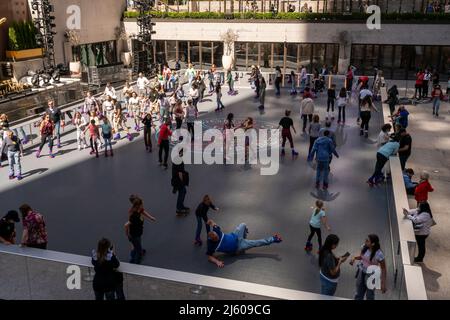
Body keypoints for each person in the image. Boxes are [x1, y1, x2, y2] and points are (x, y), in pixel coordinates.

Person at [206, 219, 282, 268]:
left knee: (243, 224)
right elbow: (209, 257)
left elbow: (212, 222)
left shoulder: (216, 230)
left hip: (236, 235)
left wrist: (208, 222)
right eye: (216, 238)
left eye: (217, 236)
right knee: (255, 242)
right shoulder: (211, 245)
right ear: (212, 239)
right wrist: (217, 262)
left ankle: (244, 235)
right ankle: (273, 239)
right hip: (238, 246)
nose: (217, 237)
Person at [350, 234, 387, 300]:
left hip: (371, 275)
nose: (365, 242)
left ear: (372, 244)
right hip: (361, 272)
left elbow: (383, 268)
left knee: (370, 295)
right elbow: (362, 257)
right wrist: (354, 258)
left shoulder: (379, 254)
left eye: (367, 241)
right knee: (359, 293)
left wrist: (383, 283)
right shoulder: (364, 247)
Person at [124, 195, 156, 264]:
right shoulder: (134, 215)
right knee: (137, 250)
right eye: (142, 204)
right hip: (134, 234)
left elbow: (143, 211)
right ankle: (135, 262)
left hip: (138, 232)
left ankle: (136, 253)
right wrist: (127, 234)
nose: (143, 205)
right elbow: (126, 225)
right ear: (137, 205)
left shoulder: (139, 210)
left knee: (136, 245)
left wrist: (151, 217)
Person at [171, 149, 189, 215]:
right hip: (178, 180)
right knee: (182, 192)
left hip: (176, 180)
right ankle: (179, 208)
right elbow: (180, 173)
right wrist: (183, 182)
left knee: (183, 192)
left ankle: (181, 206)